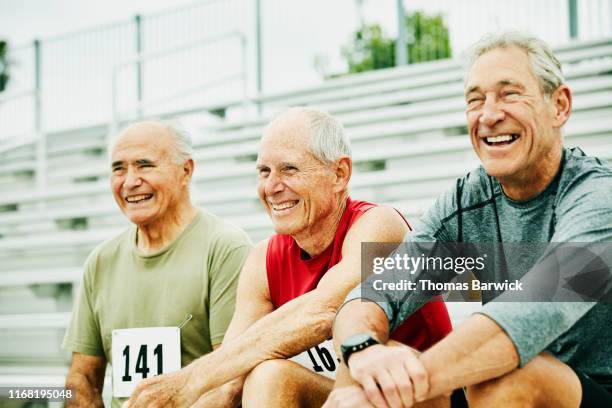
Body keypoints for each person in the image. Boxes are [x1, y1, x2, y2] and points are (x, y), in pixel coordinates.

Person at [325, 31, 612, 408]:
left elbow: (525, 320)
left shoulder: (599, 199)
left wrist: (395, 389)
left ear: (559, 105)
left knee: (505, 376)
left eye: (509, 94)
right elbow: (374, 293)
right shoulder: (466, 201)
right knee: (369, 361)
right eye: (475, 100)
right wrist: (362, 349)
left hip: (593, 390)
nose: (489, 115)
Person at [124, 107, 452, 408]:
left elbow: (323, 311)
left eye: (289, 170)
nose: (271, 186)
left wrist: (187, 380)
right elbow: (228, 380)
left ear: (340, 173)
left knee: (359, 362)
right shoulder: (263, 260)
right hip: (341, 396)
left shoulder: (381, 225)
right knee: (266, 375)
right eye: (263, 171)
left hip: (424, 393)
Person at [62, 121, 252, 408]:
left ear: (186, 171)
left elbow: (231, 381)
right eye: (118, 169)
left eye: (144, 165)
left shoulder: (225, 247)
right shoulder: (100, 261)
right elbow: (82, 379)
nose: (129, 182)